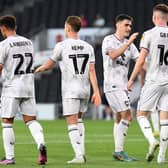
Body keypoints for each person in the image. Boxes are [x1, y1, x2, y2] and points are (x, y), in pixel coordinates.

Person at [35, 16, 101, 164]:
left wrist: (36, 70)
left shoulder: (62, 46)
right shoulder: (88, 46)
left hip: (71, 90)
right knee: (79, 120)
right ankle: (81, 152)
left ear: (68, 28)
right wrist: (96, 91)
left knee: (71, 123)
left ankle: (78, 156)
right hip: (85, 89)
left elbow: (48, 66)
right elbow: (92, 71)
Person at [0, 15, 47, 165]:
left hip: (12, 87)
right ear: (16, 27)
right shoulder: (28, 42)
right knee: (31, 120)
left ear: (3, 28)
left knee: (7, 122)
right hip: (28, 86)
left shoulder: (4, 44)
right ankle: (41, 144)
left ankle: (9, 157)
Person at [127, 4, 168, 163]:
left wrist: (131, 79)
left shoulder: (149, 34)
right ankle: (162, 157)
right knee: (165, 120)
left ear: (154, 17)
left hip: (154, 80)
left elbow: (141, 60)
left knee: (141, 115)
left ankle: (152, 141)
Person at [102, 14, 139, 161]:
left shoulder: (130, 45)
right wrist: (128, 43)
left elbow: (140, 60)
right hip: (112, 85)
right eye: (126, 25)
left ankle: (118, 152)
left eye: (130, 26)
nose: (129, 28)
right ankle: (119, 152)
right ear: (117, 25)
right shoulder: (109, 40)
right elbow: (113, 55)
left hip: (122, 86)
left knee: (118, 117)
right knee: (128, 116)